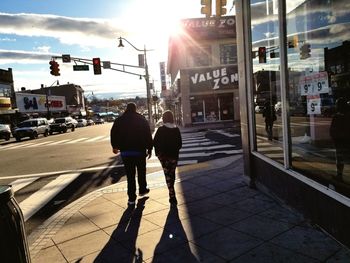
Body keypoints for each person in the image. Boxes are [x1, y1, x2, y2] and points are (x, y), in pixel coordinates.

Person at [110, 102, 153, 206]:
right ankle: (142, 189)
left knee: (130, 175)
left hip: (126, 152)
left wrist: (115, 146)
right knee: (141, 171)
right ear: (135, 109)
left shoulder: (119, 120)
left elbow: (113, 133)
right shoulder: (141, 119)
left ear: (126, 109)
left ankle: (131, 198)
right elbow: (148, 134)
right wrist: (150, 148)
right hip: (140, 151)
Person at [153, 110, 182, 205]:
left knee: (167, 174)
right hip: (174, 156)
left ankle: (172, 194)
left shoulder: (161, 130)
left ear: (164, 118)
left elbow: (155, 142)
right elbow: (180, 144)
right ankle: (172, 192)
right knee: (172, 173)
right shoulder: (176, 129)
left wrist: (158, 153)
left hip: (163, 157)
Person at [330, 97, 350, 181]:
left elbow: (332, 131)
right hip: (344, 141)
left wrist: (334, 139)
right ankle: (339, 175)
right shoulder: (346, 115)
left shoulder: (337, 117)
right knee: (341, 159)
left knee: (340, 159)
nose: (336, 106)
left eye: (337, 104)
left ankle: (339, 175)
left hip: (340, 142)